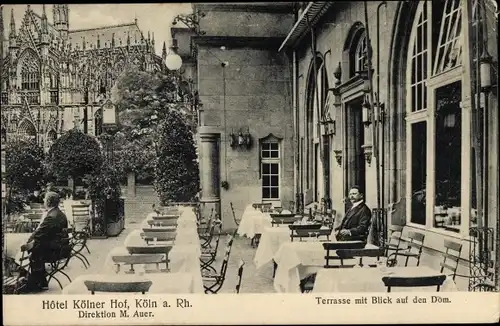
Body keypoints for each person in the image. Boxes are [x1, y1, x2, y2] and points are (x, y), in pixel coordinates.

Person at [24, 191, 70, 291]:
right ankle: (37, 281)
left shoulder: (51, 216)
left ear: (48, 202)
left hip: (53, 252)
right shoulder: (59, 214)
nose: (43, 200)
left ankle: (36, 283)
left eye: (45, 199)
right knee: (34, 246)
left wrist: (27, 243)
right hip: (61, 248)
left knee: (31, 248)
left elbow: (38, 233)